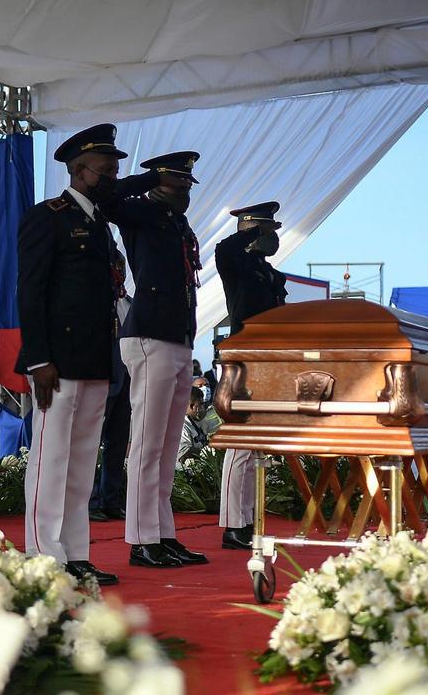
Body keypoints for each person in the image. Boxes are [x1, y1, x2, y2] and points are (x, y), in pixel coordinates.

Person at [14, 123, 154, 587]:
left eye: (116, 169)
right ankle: (42, 554)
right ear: (78, 171)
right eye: (104, 170)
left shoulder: (99, 224)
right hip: (57, 360)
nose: (112, 177)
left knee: (79, 463)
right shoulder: (48, 216)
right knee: (50, 459)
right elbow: (30, 292)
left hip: (96, 357)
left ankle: (75, 553)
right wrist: (37, 359)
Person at [100, 150, 208, 569]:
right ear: (157, 182)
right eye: (176, 182)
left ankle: (163, 534)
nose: (184, 190)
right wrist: (144, 182)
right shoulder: (140, 212)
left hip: (178, 336)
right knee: (146, 442)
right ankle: (142, 540)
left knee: (165, 446)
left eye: (186, 184)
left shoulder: (176, 222)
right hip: (149, 335)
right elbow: (108, 200)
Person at [214, 201, 288, 550]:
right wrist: (250, 233)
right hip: (243, 357)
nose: (274, 237)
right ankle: (232, 524)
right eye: (268, 230)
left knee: (256, 445)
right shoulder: (237, 264)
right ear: (252, 231)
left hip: (268, 360)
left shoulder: (269, 272)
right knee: (240, 443)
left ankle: (247, 520)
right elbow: (223, 248)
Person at [89, 252, 133, 523]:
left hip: (128, 382)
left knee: (117, 444)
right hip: (103, 380)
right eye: (115, 267)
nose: (120, 271)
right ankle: (90, 500)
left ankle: (111, 500)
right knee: (92, 444)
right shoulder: (96, 303)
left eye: (122, 267)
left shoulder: (129, 303)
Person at [177, 387, 209, 467]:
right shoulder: (181, 425)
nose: (203, 407)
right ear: (192, 407)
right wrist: (205, 451)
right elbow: (183, 453)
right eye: (201, 404)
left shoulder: (199, 421)